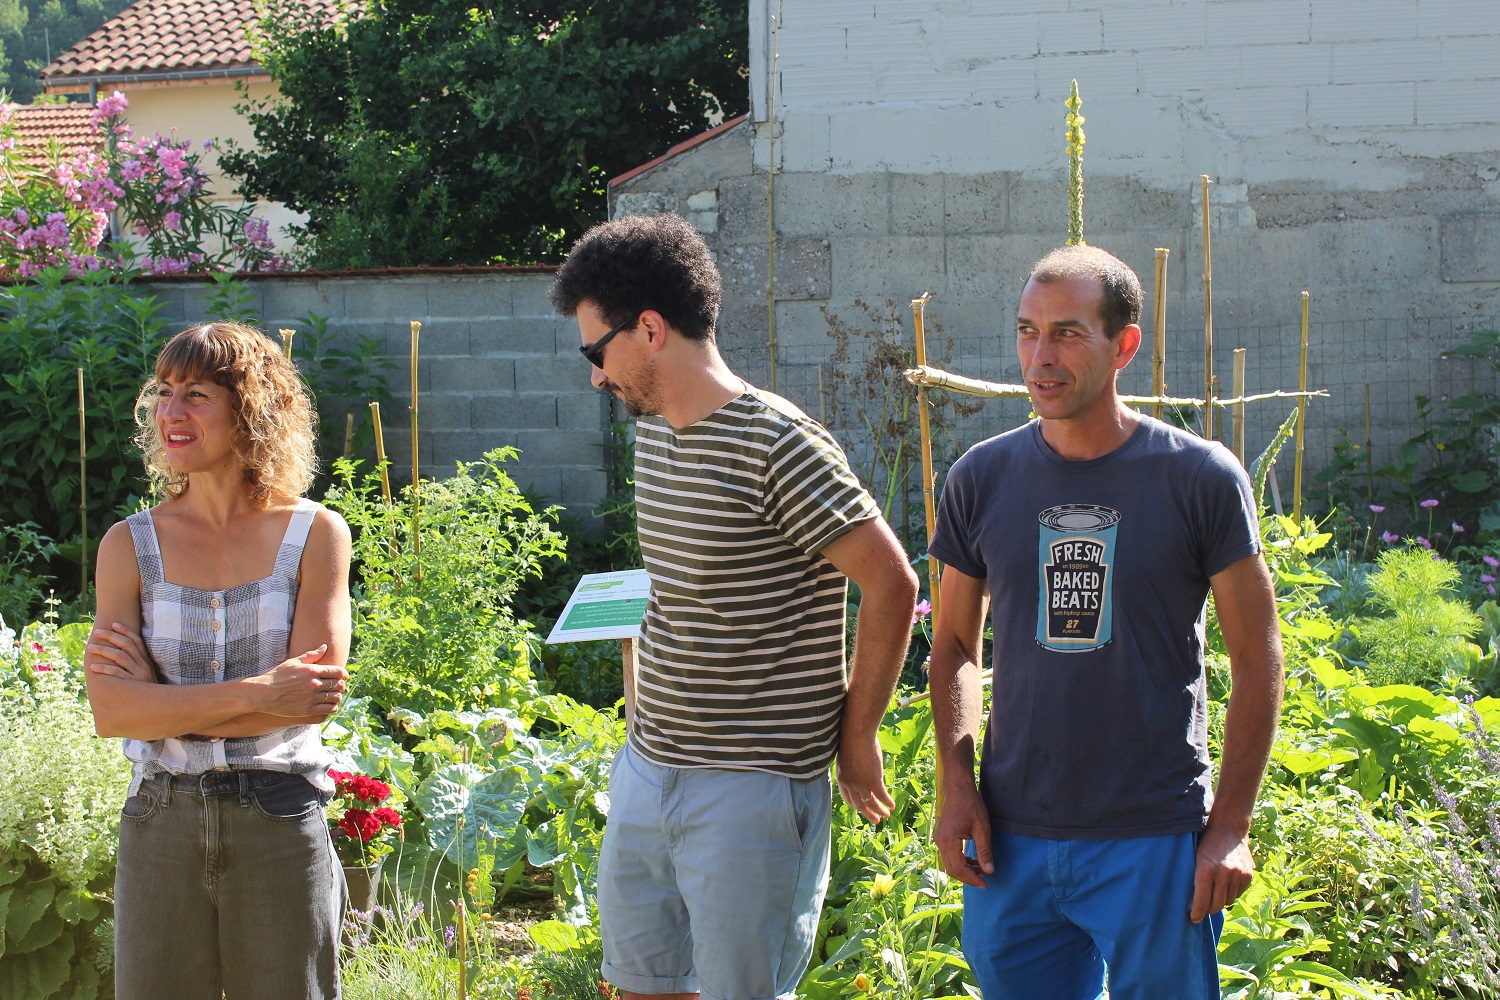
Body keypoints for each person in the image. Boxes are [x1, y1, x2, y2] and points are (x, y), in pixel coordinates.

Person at [550, 213, 919, 1000]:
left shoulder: (779, 444)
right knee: (639, 986)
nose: (594, 376)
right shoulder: (653, 434)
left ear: (649, 329)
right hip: (649, 768)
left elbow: (892, 582)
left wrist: (858, 737)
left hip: (752, 789)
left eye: (596, 351)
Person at [926, 245, 1285, 1000]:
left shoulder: (1199, 477)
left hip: (1151, 833)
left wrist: (1229, 827)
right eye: (1028, 331)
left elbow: (1257, 654)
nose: (1040, 357)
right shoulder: (981, 477)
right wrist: (956, 784)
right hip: (1012, 835)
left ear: (1125, 344)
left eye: (1067, 333)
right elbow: (955, 642)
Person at [84, 322, 354, 1000]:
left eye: (197, 395)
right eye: (165, 392)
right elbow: (115, 712)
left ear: (252, 408)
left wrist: (163, 706)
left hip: (278, 819)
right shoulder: (128, 546)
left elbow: (312, 698)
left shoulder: (315, 534)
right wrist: (263, 690)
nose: (170, 413)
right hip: (160, 822)